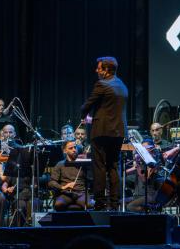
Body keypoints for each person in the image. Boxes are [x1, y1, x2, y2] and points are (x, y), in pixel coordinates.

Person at [81, 56, 128, 211]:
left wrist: (84, 115)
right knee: (114, 166)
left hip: (101, 131)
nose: (96, 70)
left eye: (99, 68)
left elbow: (87, 105)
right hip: (119, 132)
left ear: (106, 70)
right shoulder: (122, 85)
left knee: (99, 167)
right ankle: (114, 204)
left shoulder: (102, 84)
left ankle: (100, 204)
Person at [48, 139, 86, 211]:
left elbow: (91, 179)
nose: (74, 150)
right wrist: (63, 187)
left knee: (89, 205)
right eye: (71, 148)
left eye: (75, 147)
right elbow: (51, 182)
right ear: (65, 151)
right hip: (66, 194)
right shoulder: (60, 164)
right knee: (58, 205)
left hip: (81, 193)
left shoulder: (82, 163)